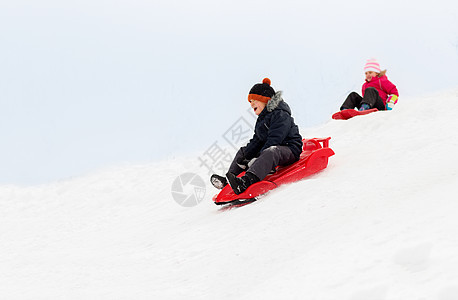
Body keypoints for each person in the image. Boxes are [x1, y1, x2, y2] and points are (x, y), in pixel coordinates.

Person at [210, 78, 303, 195]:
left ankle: (246, 181)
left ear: (265, 100)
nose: (251, 103)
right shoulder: (262, 119)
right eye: (250, 101)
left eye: (254, 100)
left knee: (271, 151)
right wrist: (247, 156)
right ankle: (229, 180)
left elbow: (275, 139)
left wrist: (258, 158)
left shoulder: (280, 114)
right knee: (243, 152)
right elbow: (257, 140)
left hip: (290, 149)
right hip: (272, 150)